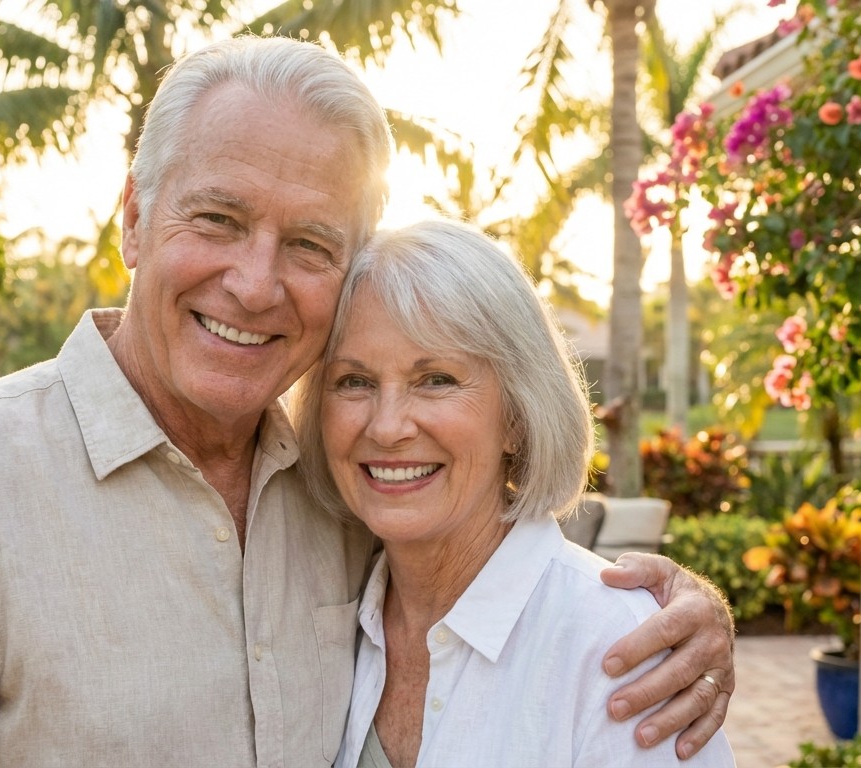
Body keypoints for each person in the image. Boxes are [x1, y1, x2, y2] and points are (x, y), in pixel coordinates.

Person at [0, 36, 734, 766]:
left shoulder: (347, 496)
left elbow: (507, 585)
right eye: (218, 219)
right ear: (133, 218)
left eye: (311, 246)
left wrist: (684, 610)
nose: (253, 283)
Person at [292, 218, 736, 767]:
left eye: (436, 380)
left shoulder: (619, 646)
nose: (386, 427)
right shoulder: (332, 609)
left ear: (517, 419)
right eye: (354, 381)